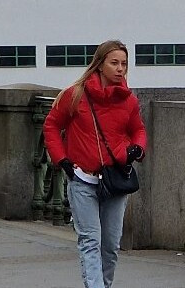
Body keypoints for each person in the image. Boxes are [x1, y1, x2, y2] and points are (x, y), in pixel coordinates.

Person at [43, 40, 147, 288]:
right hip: (82, 179)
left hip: (115, 180)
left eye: (124, 63)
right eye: (114, 63)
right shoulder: (75, 95)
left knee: (110, 246)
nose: (120, 69)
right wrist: (62, 160)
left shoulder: (129, 100)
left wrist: (137, 148)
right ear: (100, 65)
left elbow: (138, 129)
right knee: (91, 241)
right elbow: (52, 126)